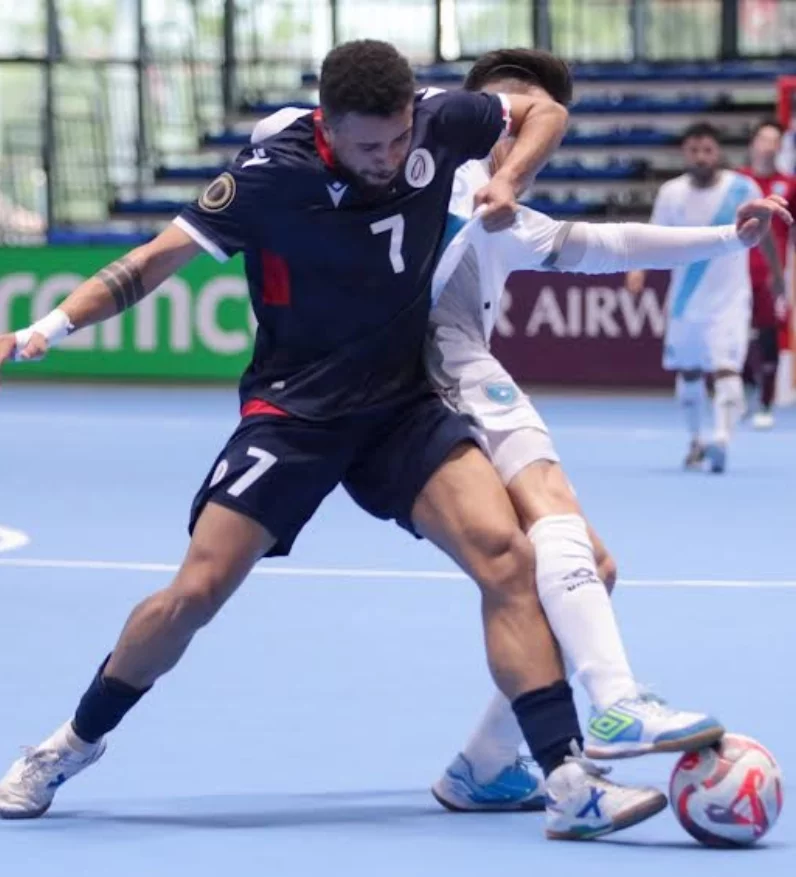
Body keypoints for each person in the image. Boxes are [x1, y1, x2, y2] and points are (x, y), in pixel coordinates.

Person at [0, 40, 667, 841]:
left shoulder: (437, 121)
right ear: (327, 124)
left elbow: (544, 109)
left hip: (399, 407)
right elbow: (148, 264)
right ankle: (69, 744)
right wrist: (50, 324)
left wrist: (507, 178)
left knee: (507, 556)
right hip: (295, 415)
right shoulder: (267, 178)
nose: (387, 159)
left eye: (396, 140)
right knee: (195, 593)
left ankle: (565, 779)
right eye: (366, 145)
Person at [420, 50, 790, 812]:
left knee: (587, 566)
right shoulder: (440, 169)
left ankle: (485, 763)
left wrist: (727, 239)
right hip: (431, 363)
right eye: (506, 113)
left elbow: (607, 245)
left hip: (438, 366)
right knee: (555, 516)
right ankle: (615, 703)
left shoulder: (493, 205)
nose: (513, 132)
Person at [626, 122, 783, 473]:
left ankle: (722, 439)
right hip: (685, 300)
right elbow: (653, 235)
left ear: (718, 153)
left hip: (729, 299)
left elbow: (767, 235)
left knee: (727, 369)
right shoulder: (671, 192)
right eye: (694, 150)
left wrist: (776, 272)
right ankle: (697, 440)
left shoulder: (743, 188)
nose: (700, 157)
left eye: (707, 150)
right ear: (685, 154)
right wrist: (638, 268)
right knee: (690, 373)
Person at [738, 120, 796, 429]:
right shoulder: (737, 181)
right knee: (737, 335)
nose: (769, 146)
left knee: (769, 335)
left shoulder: (789, 184)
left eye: (775, 140)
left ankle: (766, 403)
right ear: (753, 143)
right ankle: (744, 391)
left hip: (771, 276)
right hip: (734, 273)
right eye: (764, 139)